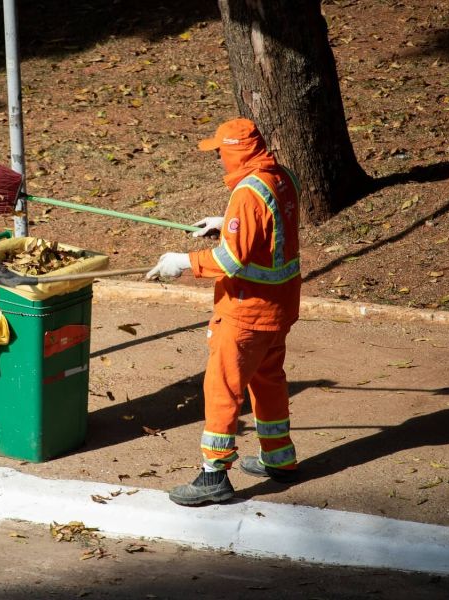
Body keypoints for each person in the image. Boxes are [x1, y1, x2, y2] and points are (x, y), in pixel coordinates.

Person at [146, 117, 303, 506]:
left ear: (235, 151)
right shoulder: (281, 177)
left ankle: (213, 475)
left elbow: (231, 261)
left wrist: (182, 261)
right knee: (267, 380)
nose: (218, 158)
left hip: (245, 312)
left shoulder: (248, 194)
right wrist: (225, 224)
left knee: (222, 389)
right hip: (279, 308)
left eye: (220, 151)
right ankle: (278, 458)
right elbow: (268, 233)